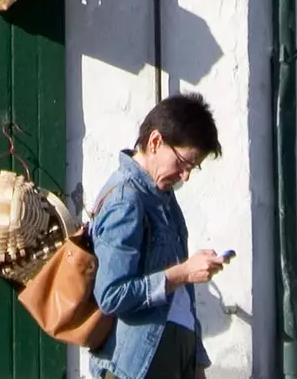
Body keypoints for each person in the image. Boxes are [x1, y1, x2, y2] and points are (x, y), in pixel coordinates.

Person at [90, 93, 226, 379]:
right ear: (155, 142)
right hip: (136, 365)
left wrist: (197, 363)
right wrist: (182, 273)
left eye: (193, 167)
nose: (186, 176)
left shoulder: (162, 197)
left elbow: (180, 299)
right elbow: (111, 295)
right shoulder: (126, 200)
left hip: (176, 358)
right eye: (183, 162)